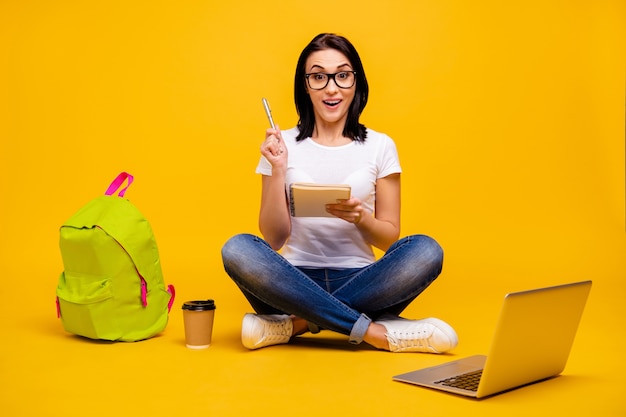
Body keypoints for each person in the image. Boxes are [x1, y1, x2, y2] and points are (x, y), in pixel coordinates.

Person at [221, 33, 458, 353]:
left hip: (366, 282)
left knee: (427, 250)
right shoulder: (281, 145)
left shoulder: (381, 145)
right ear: (305, 85)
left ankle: (297, 324)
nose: (331, 88)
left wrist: (362, 218)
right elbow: (274, 238)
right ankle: (375, 332)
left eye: (342, 76)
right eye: (318, 77)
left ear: (356, 82)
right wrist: (278, 169)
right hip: (290, 284)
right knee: (237, 248)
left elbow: (389, 238)